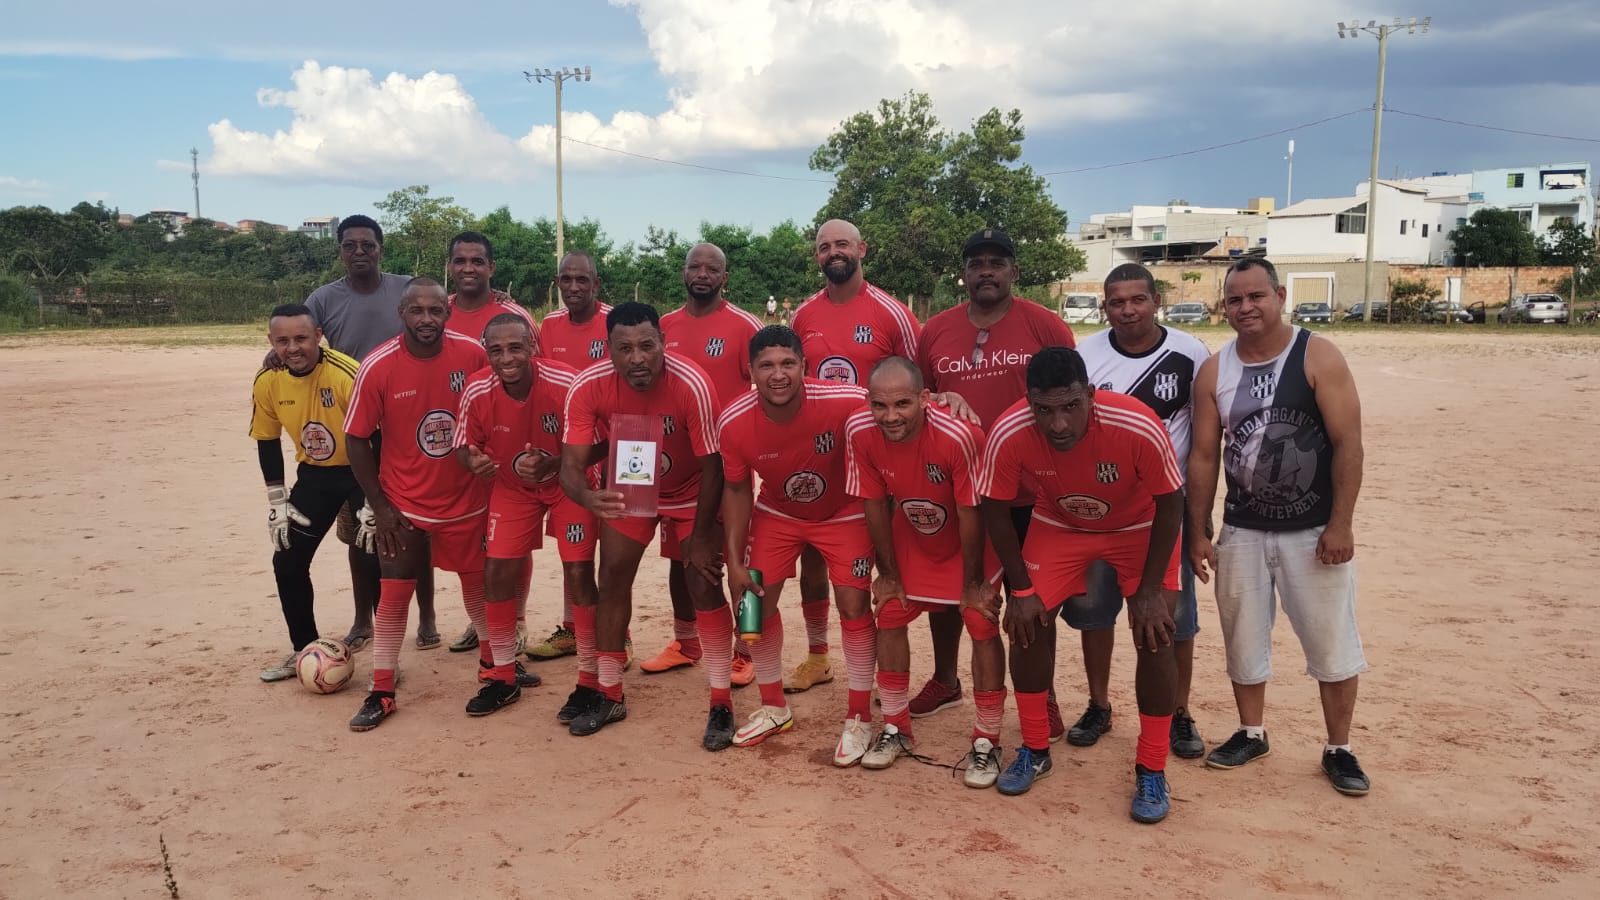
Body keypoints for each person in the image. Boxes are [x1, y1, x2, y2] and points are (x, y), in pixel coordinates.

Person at [978, 347, 1185, 824]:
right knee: (1025, 623)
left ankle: (1152, 766)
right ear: (1028, 400)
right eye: (1044, 409)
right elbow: (995, 509)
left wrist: (1150, 592)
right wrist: (1022, 590)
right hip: (1062, 523)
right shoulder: (1009, 431)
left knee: (1156, 633)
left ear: (1090, 395)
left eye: (1070, 406)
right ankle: (1034, 748)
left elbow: (1171, 502)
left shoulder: (1135, 423)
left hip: (1139, 526)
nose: (1058, 425)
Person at [1187, 257, 1370, 796]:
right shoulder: (1216, 371)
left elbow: (1348, 445)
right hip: (1242, 528)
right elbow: (1203, 456)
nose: (1245, 308)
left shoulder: (1317, 355)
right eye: (1235, 300)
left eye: (1255, 297)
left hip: (1312, 530)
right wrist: (1199, 529)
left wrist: (1341, 525)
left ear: (1280, 295)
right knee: (1242, 636)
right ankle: (1251, 731)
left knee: (1330, 640)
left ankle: (1339, 747)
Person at [914, 227, 1077, 730]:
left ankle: (1041, 693)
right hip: (957, 485)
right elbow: (921, 395)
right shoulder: (936, 329)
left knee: (1034, 597)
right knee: (950, 587)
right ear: (963, 273)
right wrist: (934, 400)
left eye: (997, 262)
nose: (986, 270)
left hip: (1031, 488)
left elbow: (1071, 400)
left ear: (1014, 272)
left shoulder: (1045, 326)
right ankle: (946, 678)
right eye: (976, 262)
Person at [342, 277, 519, 731]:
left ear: (448, 312)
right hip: (404, 504)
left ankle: (495, 667)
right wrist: (379, 506)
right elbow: (356, 438)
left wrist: (486, 457)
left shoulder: (473, 355)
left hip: (468, 501)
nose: (427, 319)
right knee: (395, 592)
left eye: (436, 310)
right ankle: (382, 689)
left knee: (478, 589)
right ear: (402, 313)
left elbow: (496, 407)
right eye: (417, 311)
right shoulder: (378, 366)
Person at [559, 302, 732, 749]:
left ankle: (721, 700)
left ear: (663, 343)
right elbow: (571, 466)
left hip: (693, 488)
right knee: (612, 576)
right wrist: (587, 496)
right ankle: (609, 691)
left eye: (647, 346)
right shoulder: (588, 385)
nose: (638, 358)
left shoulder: (691, 382)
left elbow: (714, 467)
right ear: (609, 350)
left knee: (704, 580)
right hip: (634, 479)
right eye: (625, 348)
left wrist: (704, 533)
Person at [1067, 263, 1211, 758]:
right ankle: (1099, 703)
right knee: (1094, 613)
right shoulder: (1085, 355)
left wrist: (1201, 517)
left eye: (1138, 300)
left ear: (1156, 301)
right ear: (1104, 307)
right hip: (1102, 511)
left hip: (1166, 510)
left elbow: (1204, 442)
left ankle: (1178, 711)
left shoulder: (1190, 353)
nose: (1128, 310)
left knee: (1174, 621)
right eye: (1116, 302)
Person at [718, 326, 880, 767]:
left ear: (804, 367)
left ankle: (860, 716)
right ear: (750, 371)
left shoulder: (846, 400)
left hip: (843, 510)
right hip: (779, 512)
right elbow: (735, 491)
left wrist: (941, 400)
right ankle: (773, 707)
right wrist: (735, 562)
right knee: (751, 603)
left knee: (852, 603)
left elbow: (894, 409)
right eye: (766, 365)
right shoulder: (733, 421)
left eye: (787, 363)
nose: (778, 375)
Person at [845, 357, 1006, 783]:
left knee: (980, 618)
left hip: (967, 539)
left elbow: (972, 511)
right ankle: (896, 728)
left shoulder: (959, 434)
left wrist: (972, 583)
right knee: (891, 611)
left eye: (902, 403)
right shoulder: (860, 431)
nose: (891, 416)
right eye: (880, 405)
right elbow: (875, 504)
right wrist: (889, 572)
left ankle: (986, 739)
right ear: (868, 402)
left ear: (924, 398)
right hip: (915, 534)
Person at [784, 219, 923, 696]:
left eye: (841, 244)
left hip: (880, 456)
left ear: (862, 249)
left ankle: (884, 673)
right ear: (817, 257)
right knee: (811, 555)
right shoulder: (803, 315)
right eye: (824, 247)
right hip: (819, 453)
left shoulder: (893, 313)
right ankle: (819, 655)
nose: (833, 252)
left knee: (884, 557)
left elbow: (918, 383)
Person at [295, 214, 438, 650]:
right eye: (350, 245)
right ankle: (363, 618)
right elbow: (297, 337)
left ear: (381, 248)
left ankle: (427, 616)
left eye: (368, 244)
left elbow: (442, 320)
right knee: (360, 530)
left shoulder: (405, 289)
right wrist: (273, 353)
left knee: (415, 528)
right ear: (339, 250)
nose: (359, 252)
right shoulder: (323, 299)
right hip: (351, 432)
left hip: (404, 429)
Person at [454, 314, 595, 718]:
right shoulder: (477, 389)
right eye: (496, 350)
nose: (506, 358)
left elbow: (598, 442)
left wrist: (555, 464)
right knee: (497, 572)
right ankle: (501, 675)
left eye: (515, 347)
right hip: (513, 488)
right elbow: (465, 445)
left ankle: (588, 680)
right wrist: (474, 460)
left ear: (532, 348)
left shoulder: (566, 382)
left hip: (569, 483)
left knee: (580, 572)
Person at [646, 243, 764, 688]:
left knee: (739, 557)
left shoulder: (744, 326)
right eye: (694, 265)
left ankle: (745, 648)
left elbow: (764, 389)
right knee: (681, 557)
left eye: (712, 268)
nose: (702, 273)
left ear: (725, 277)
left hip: (727, 465)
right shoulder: (665, 326)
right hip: (677, 467)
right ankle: (686, 642)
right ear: (682, 272)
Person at [249, 304, 377, 681]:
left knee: (376, 559)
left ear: (318, 335)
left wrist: (375, 498)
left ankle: (387, 660)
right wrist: (277, 499)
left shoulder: (345, 374)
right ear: (271, 342)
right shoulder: (267, 380)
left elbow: (381, 434)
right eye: (283, 340)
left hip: (362, 473)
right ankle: (302, 648)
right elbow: (267, 440)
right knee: (287, 559)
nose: (293, 348)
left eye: (301, 338)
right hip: (316, 476)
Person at [442, 230, 542, 655]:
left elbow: (538, 373)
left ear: (491, 268)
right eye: (460, 261)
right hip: (457, 447)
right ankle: (482, 619)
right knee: (470, 540)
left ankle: (515, 621)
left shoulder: (513, 314)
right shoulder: (435, 312)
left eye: (477, 261)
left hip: (507, 447)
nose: (468, 268)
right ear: (449, 266)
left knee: (510, 540)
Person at [524, 249, 613, 662]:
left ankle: (618, 632)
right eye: (566, 280)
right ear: (557, 283)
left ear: (596, 284)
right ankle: (572, 628)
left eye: (582, 280)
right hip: (568, 452)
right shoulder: (550, 325)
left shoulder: (613, 323)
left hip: (611, 449)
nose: (574, 287)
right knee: (571, 544)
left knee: (614, 550)